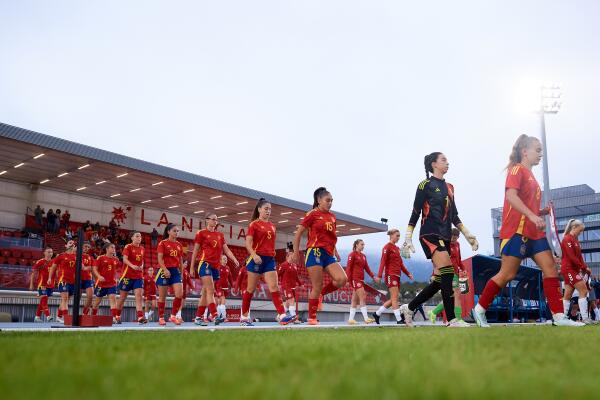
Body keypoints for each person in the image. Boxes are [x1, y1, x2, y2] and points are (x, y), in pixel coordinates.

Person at [472, 135, 583, 327]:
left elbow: (527, 205)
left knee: (550, 269)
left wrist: (540, 212)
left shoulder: (531, 176)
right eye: (537, 150)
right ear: (525, 151)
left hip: (535, 233)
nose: (540, 154)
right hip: (516, 231)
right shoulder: (517, 170)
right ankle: (479, 309)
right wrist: (532, 216)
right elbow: (511, 196)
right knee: (507, 274)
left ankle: (558, 317)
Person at [400, 152, 477, 328]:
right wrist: (408, 237)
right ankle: (452, 319)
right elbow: (416, 211)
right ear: (434, 164)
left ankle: (409, 308)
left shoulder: (450, 187)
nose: (448, 163)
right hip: (429, 234)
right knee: (449, 272)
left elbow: (454, 215)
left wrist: (467, 234)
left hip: (445, 237)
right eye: (444, 160)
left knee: (439, 281)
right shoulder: (424, 185)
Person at [293, 187, 347, 325]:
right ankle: (312, 317)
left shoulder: (333, 217)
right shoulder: (312, 214)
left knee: (342, 279)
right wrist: (295, 252)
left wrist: (336, 251)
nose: (330, 203)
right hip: (314, 252)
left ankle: (322, 294)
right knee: (317, 285)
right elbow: (298, 233)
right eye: (327, 200)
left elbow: (331, 237)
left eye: (332, 201)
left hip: (328, 254)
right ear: (319, 200)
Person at [240, 199, 296, 326]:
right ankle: (244, 318)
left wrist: (272, 252)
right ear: (259, 209)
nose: (268, 211)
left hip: (269, 260)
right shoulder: (253, 224)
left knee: (274, 287)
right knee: (250, 289)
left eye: (270, 209)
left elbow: (269, 243)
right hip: (256, 259)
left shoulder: (272, 226)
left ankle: (282, 316)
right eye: (266, 208)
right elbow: (248, 244)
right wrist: (254, 255)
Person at [190, 213, 240, 325]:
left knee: (205, 292)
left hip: (215, 266)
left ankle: (198, 317)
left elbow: (226, 250)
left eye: (217, 220)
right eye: (213, 219)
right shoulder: (201, 233)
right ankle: (215, 315)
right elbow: (195, 251)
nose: (215, 221)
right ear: (207, 220)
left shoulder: (220, 235)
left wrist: (234, 259)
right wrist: (192, 267)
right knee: (211, 290)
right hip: (205, 264)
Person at [373, 230, 414, 324]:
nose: (398, 238)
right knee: (395, 298)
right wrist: (379, 276)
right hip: (390, 275)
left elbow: (400, 263)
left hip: (397, 275)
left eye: (399, 236)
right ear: (391, 235)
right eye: (397, 236)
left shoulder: (397, 248)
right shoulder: (386, 247)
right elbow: (382, 262)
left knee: (393, 299)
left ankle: (377, 313)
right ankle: (399, 320)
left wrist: (408, 273)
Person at [560, 219, 596, 324]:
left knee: (568, 294)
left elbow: (579, 257)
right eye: (580, 231)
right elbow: (571, 257)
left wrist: (584, 267)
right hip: (569, 269)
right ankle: (585, 318)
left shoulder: (575, 240)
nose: (580, 233)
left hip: (573, 269)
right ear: (574, 227)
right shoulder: (567, 239)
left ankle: (562, 318)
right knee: (583, 290)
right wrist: (584, 268)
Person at [429, 228, 467, 323]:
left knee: (452, 297)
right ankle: (458, 318)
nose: (453, 239)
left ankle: (433, 312)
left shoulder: (457, 245)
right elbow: (435, 259)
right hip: (447, 272)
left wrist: (463, 269)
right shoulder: (444, 244)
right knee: (457, 294)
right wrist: (434, 273)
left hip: (455, 272)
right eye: (452, 237)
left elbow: (459, 259)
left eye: (456, 238)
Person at [156, 223, 185, 326]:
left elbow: (180, 260)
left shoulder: (179, 245)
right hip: (164, 270)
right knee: (162, 296)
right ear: (168, 231)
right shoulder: (162, 243)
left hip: (175, 271)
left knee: (179, 294)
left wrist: (181, 272)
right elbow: (159, 258)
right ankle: (161, 317)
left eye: (178, 231)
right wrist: (164, 269)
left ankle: (173, 316)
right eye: (174, 231)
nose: (176, 233)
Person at [116, 231, 147, 324]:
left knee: (139, 296)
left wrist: (142, 265)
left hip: (138, 276)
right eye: (137, 236)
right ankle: (116, 316)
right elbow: (124, 259)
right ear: (132, 238)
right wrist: (132, 266)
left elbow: (142, 260)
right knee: (123, 297)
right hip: (127, 276)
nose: (139, 238)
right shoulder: (128, 247)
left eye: (140, 236)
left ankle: (140, 317)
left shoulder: (142, 248)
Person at [345, 239, 376, 324]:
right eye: (362, 244)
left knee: (355, 300)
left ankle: (350, 319)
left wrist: (373, 276)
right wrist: (348, 280)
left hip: (361, 279)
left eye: (363, 245)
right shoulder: (352, 255)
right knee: (363, 296)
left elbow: (367, 268)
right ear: (356, 245)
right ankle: (366, 318)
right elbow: (348, 268)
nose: (363, 246)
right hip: (355, 279)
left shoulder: (363, 256)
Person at [47, 240, 77, 323]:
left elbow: (81, 268)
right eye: (70, 243)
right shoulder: (61, 256)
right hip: (63, 280)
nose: (72, 244)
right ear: (66, 245)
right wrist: (50, 278)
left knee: (66, 300)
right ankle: (66, 318)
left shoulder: (77, 257)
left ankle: (59, 316)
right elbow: (53, 267)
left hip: (73, 282)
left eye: (73, 243)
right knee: (65, 299)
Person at [92, 243, 119, 322]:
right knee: (97, 301)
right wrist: (99, 276)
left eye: (114, 247)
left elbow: (115, 271)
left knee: (113, 299)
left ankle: (114, 317)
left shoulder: (116, 259)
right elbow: (94, 269)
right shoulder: (100, 258)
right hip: (101, 284)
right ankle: (93, 316)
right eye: (112, 247)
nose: (114, 249)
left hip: (112, 284)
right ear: (107, 249)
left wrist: (116, 278)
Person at [29, 247, 54, 322]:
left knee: (43, 301)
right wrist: (31, 284)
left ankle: (37, 317)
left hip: (51, 285)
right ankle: (48, 316)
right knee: (44, 299)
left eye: (51, 252)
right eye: (48, 252)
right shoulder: (40, 261)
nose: (50, 254)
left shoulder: (54, 262)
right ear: (44, 253)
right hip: (42, 284)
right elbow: (33, 273)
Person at [278, 251, 303, 322]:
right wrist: (275, 283)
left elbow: (296, 277)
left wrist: (300, 284)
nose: (293, 257)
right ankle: (294, 318)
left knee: (287, 304)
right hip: (286, 286)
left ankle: (279, 316)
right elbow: (277, 274)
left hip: (293, 287)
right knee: (292, 300)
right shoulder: (283, 265)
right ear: (287, 256)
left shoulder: (294, 265)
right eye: (292, 255)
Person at [215, 255, 233, 320]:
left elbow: (230, 277)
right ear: (220, 260)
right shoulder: (218, 267)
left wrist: (232, 286)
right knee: (223, 300)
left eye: (226, 259)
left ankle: (218, 317)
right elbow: (215, 277)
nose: (225, 260)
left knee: (219, 303)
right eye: (224, 259)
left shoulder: (228, 268)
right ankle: (224, 317)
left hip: (226, 287)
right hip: (219, 287)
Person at [81, 242, 96, 316]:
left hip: (88, 279)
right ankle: (75, 314)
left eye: (88, 247)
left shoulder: (90, 257)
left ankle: (84, 313)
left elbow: (94, 268)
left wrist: (87, 268)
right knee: (77, 297)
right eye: (85, 246)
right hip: (78, 279)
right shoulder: (76, 255)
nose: (86, 248)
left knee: (90, 296)